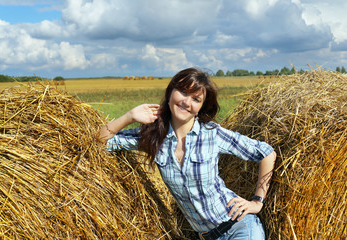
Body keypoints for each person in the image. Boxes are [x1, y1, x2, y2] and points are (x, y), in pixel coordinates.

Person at [97, 67, 276, 240]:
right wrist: (129, 116)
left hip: (239, 227)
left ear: (201, 107)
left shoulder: (212, 134)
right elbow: (98, 141)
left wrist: (257, 201)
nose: (187, 102)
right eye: (183, 92)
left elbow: (266, 153)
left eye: (196, 99)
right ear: (170, 93)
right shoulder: (153, 137)